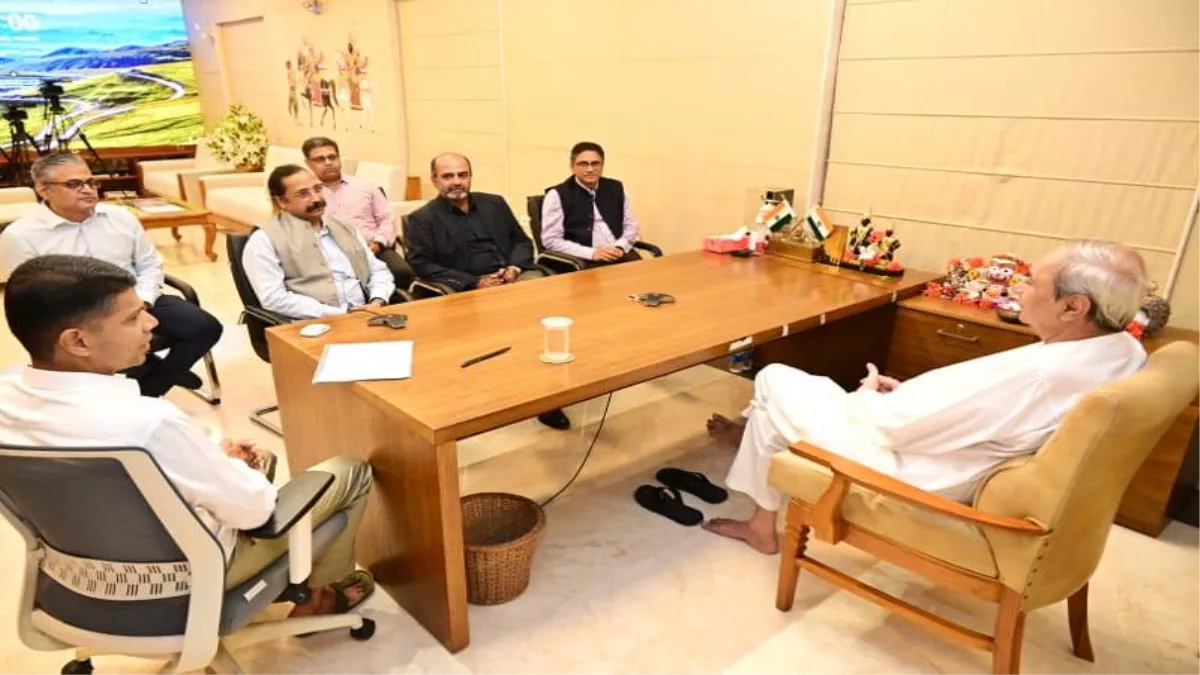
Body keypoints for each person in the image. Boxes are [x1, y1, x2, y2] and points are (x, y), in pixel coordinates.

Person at [703, 240, 1150, 554]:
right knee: (782, 405)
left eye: (1031, 282)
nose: (1018, 288)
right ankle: (760, 458)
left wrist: (869, 398)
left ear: (1073, 307)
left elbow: (895, 429)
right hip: (941, 443)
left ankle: (761, 506)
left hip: (910, 468)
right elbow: (982, 411)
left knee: (774, 378)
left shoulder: (1040, 375)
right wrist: (910, 395)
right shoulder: (1122, 349)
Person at [0, 255, 374, 615]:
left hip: (77, 578)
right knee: (348, 471)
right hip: (183, 578)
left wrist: (212, 460)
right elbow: (255, 512)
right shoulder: (148, 423)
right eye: (132, 318)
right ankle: (319, 597)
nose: (151, 323)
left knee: (245, 465)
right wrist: (233, 471)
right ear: (78, 341)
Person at [0, 152, 222, 398]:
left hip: (136, 299)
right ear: (43, 189)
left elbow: (150, 263)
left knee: (204, 327)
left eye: (91, 182)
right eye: (74, 184)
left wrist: (142, 302)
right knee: (101, 343)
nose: (87, 190)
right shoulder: (21, 236)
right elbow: (30, 299)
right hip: (75, 317)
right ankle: (147, 368)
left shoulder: (121, 218)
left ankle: (148, 389)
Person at [404, 153, 571, 431]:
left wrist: (514, 268)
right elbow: (422, 265)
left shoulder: (494, 203)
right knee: (504, 325)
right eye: (448, 176)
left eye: (462, 175)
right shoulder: (422, 219)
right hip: (467, 290)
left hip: (514, 279)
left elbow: (522, 241)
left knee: (544, 315)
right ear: (434, 180)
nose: (456, 182)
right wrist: (473, 282)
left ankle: (548, 397)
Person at [243, 165, 396, 321]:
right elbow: (273, 298)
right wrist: (341, 314)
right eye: (303, 194)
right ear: (281, 201)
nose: (316, 198)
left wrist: (378, 300)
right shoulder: (264, 239)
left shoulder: (344, 227)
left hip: (368, 315)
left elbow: (377, 269)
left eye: (317, 189)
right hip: (312, 325)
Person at [301, 136, 411, 287]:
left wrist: (378, 243)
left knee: (401, 272)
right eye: (320, 159)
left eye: (332, 157)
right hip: (331, 255)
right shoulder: (307, 195)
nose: (328, 162)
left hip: (375, 249)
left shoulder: (366, 187)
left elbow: (386, 219)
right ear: (308, 163)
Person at [540, 141, 642, 267]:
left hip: (620, 255)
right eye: (583, 164)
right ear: (572, 166)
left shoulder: (617, 188)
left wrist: (620, 246)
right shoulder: (556, 195)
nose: (590, 169)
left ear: (602, 165)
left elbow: (631, 226)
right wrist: (592, 253)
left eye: (595, 163)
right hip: (583, 261)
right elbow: (551, 240)